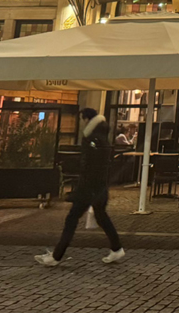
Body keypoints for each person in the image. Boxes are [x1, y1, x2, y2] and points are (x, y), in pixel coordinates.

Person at [35, 108, 125, 267]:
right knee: (101, 217)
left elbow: (89, 165)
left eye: (83, 119)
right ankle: (116, 248)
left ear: (87, 119)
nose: (82, 122)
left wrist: (80, 187)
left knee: (72, 219)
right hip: (99, 186)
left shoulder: (93, 139)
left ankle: (56, 256)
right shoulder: (102, 136)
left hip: (89, 187)